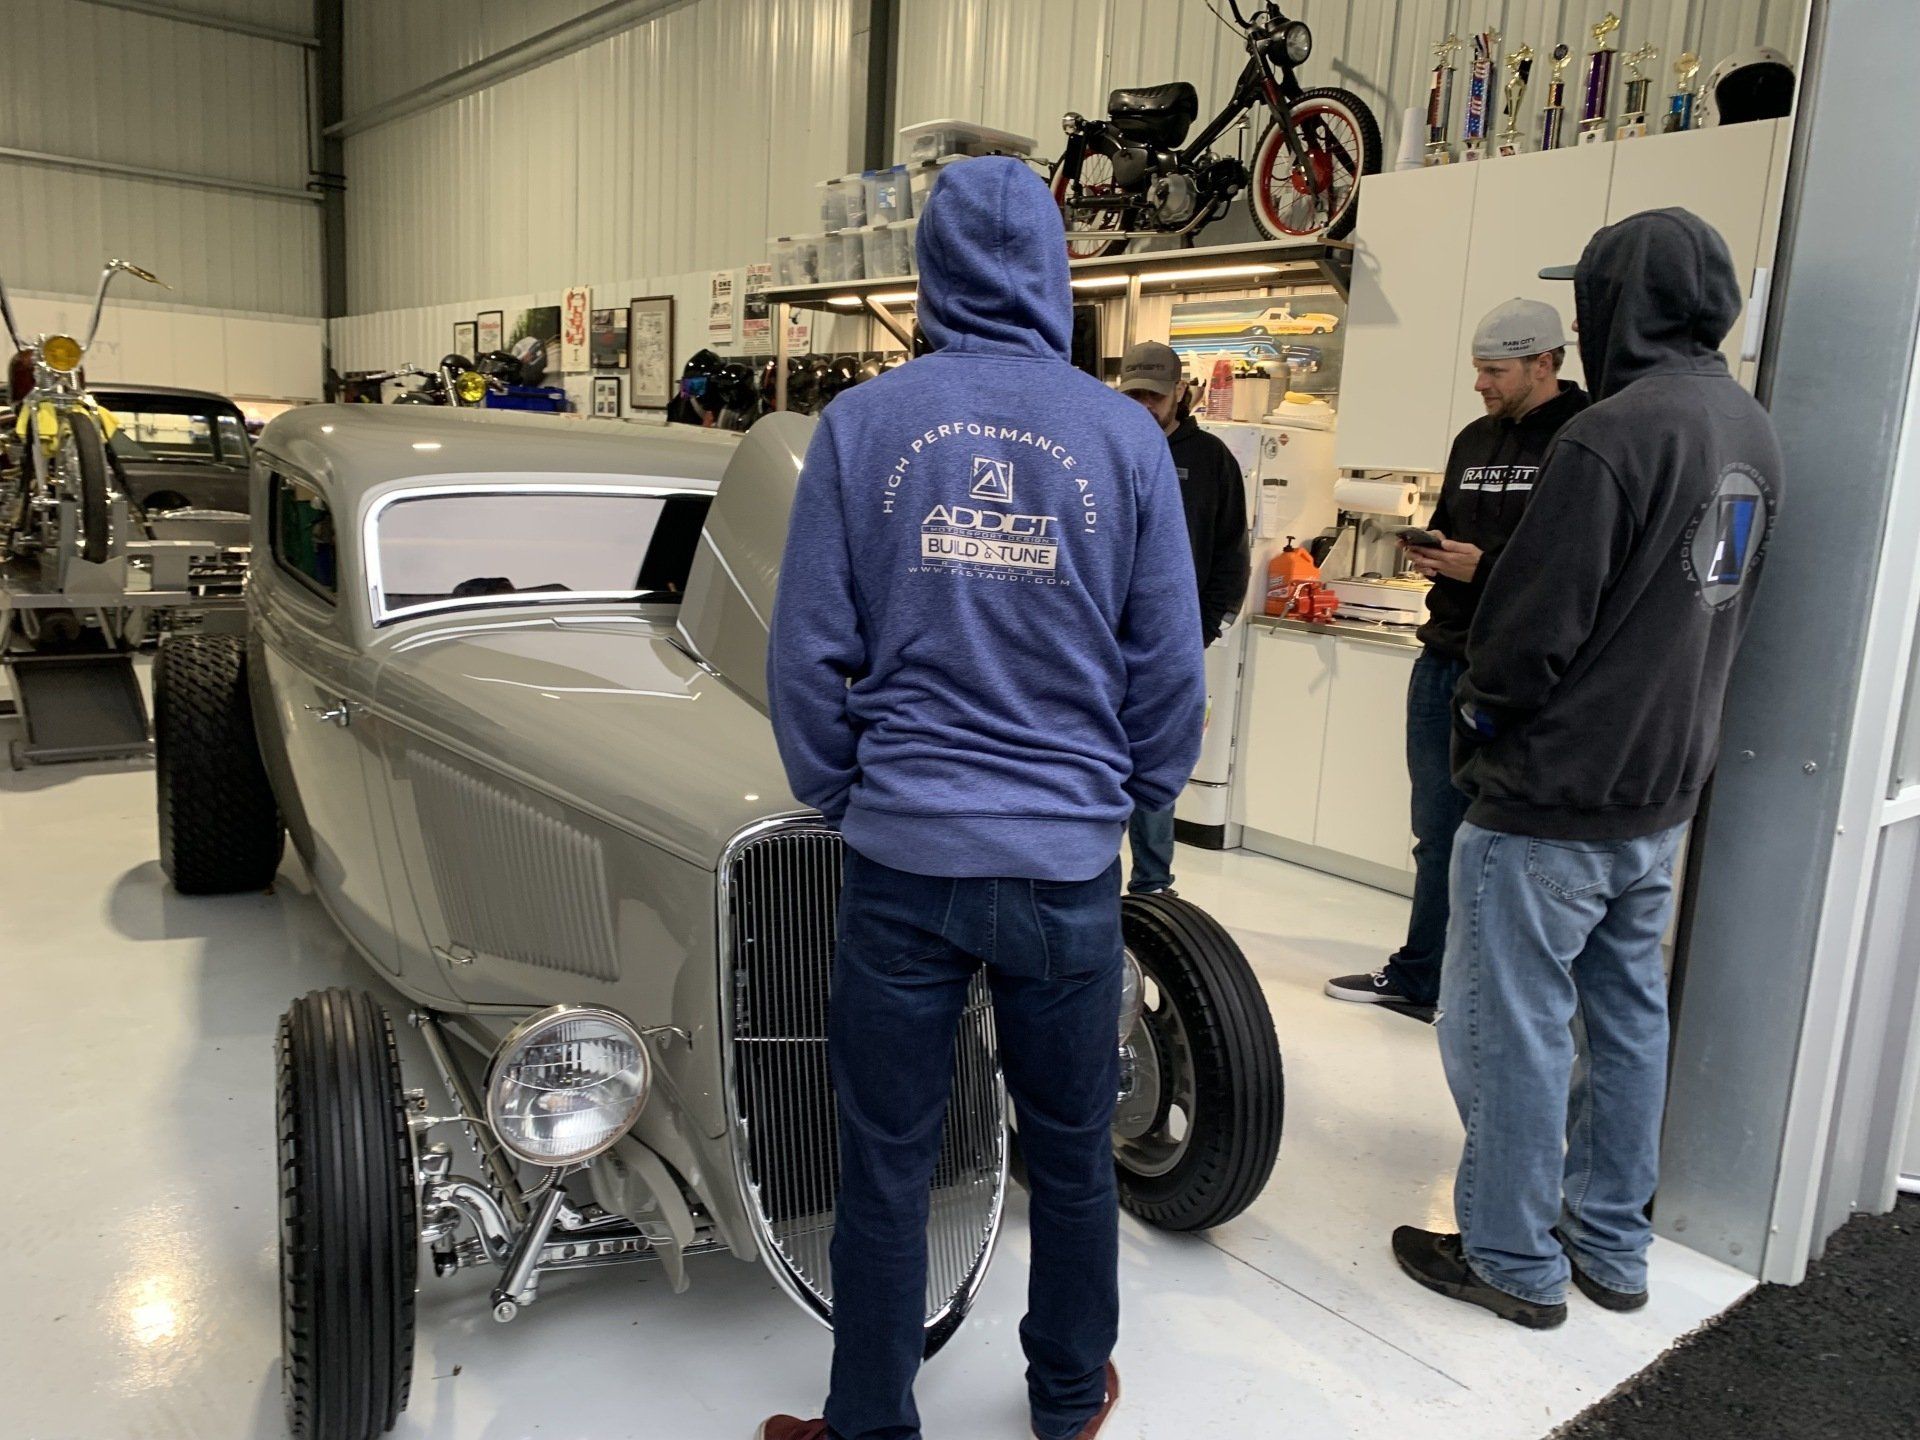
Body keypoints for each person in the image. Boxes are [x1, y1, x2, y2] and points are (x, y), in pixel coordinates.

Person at [760, 156, 1206, 1440]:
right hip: (1064, 866)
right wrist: (1132, 799)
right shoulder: (1124, 432)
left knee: (888, 1160)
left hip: (903, 862)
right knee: (1073, 1156)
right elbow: (1168, 662)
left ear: (932, 272)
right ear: (1058, 274)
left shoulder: (865, 426)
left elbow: (806, 651)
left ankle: (867, 1420)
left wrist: (846, 791)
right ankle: (1068, 1404)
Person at [1391, 208, 1784, 1327]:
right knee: (1626, 1022)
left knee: (1506, 1027)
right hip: (1660, 796)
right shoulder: (1751, 429)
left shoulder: (1610, 435)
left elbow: (1528, 633)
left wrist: (1480, 719)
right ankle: (1611, 1246)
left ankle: (1513, 1257)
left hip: (1554, 797)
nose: (1579, 313)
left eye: (1591, 293)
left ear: (1625, 302)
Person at [1325, 298, 1588, 1018]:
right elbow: (1454, 531)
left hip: (1523, 674)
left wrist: (1490, 569)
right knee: (1436, 833)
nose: (1481, 385)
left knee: (1507, 843)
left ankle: (1492, 995)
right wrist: (1435, 552)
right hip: (1443, 657)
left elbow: (1577, 565)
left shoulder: (1582, 438)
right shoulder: (1474, 439)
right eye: (1477, 370)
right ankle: (1422, 977)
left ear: (1544, 362)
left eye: (1495, 371)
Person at [1116, 339, 1251, 898]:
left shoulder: (1211, 459)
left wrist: (1207, 624)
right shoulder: (1109, 445)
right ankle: (1088, 875)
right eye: (1134, 394)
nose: (1143, 405)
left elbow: (1231, 551)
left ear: (1181, 394)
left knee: (1156, 760)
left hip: (1174, 640)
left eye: (1154, 395)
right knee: (1092, 758)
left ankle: (1152, 883)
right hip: (1101, 636)